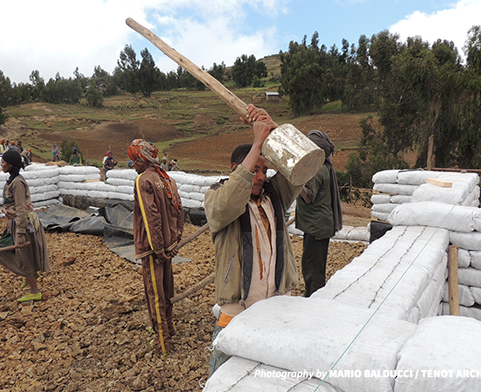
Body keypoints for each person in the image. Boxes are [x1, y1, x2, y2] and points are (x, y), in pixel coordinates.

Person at [205, 104, 303, 375]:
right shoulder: (218, 196)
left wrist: (274, 131)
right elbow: (226, 204)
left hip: (275, 303)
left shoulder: (274, 197)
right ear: (237, 168)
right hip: (237, 307)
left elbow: (301, 168)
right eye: (254, 169)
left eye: (264, 170)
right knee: (223, 374)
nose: (260, 176)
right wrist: (257, 143)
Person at [128, 139, 184, 355]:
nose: (133, 165)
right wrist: (175, 241)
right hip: (167, 245)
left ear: (142, 159)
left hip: (154, 249)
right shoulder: (166, 178)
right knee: (167, 289)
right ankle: (170, 329)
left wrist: (158, 248)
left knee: (155, 294)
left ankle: (162, 341)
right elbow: (179, 211)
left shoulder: (144, 180)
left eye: (134, 160)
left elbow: (150, 216)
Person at [0, 150, 50, 302]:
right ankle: (30, 274)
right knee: (5, 248)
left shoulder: (17, 183)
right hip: (14, 223)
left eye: (3, 161)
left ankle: (34, 290)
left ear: (11, 164)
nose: (1, 164)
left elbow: (21, 208)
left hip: (23, 224)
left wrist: (20, 231)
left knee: (22, 256)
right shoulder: (13, 180)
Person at [295, 130, 343, 297]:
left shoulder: (316, 170)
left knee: (312, 265)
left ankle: (313, 298)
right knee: (315, 263)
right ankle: (313, 294)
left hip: (316, 227)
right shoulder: (324, 167)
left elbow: (308, 197)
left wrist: (296, 179)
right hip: (318, 225)